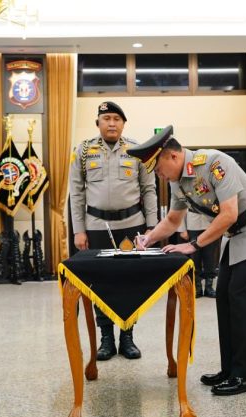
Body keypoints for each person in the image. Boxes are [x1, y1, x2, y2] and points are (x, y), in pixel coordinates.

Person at [130, 125, 246, 396]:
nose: (159, 176)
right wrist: (149, 238)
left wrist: (193, 245)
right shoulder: (178, 181)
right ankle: (230, 369)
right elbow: (173, 219)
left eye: (159, 169)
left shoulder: (214, 163)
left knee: (242, 300)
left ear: (173, 156)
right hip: (237, 236)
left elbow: (229, 214)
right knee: (224, 298)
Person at [68, 101, 158, 360]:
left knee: (131, 281)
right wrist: (79, 230)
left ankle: (127, 336)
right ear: (98, 123)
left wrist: (152, 227)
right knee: (101, 283)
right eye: (106, 118)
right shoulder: (83, 151)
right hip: (96, 227)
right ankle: (106, 337)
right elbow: (76, 192)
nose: (111, 123)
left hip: (132, 226)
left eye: (117, 119)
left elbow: (149, 189)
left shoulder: (137, 150)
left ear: (123, 124)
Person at [178, 209, 218, 297]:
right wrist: (182, 229)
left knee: (210, 257)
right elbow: (181, 207)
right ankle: (197, 287)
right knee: (195, 258)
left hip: (211, 224)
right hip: (193, 224)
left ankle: (209, 287)